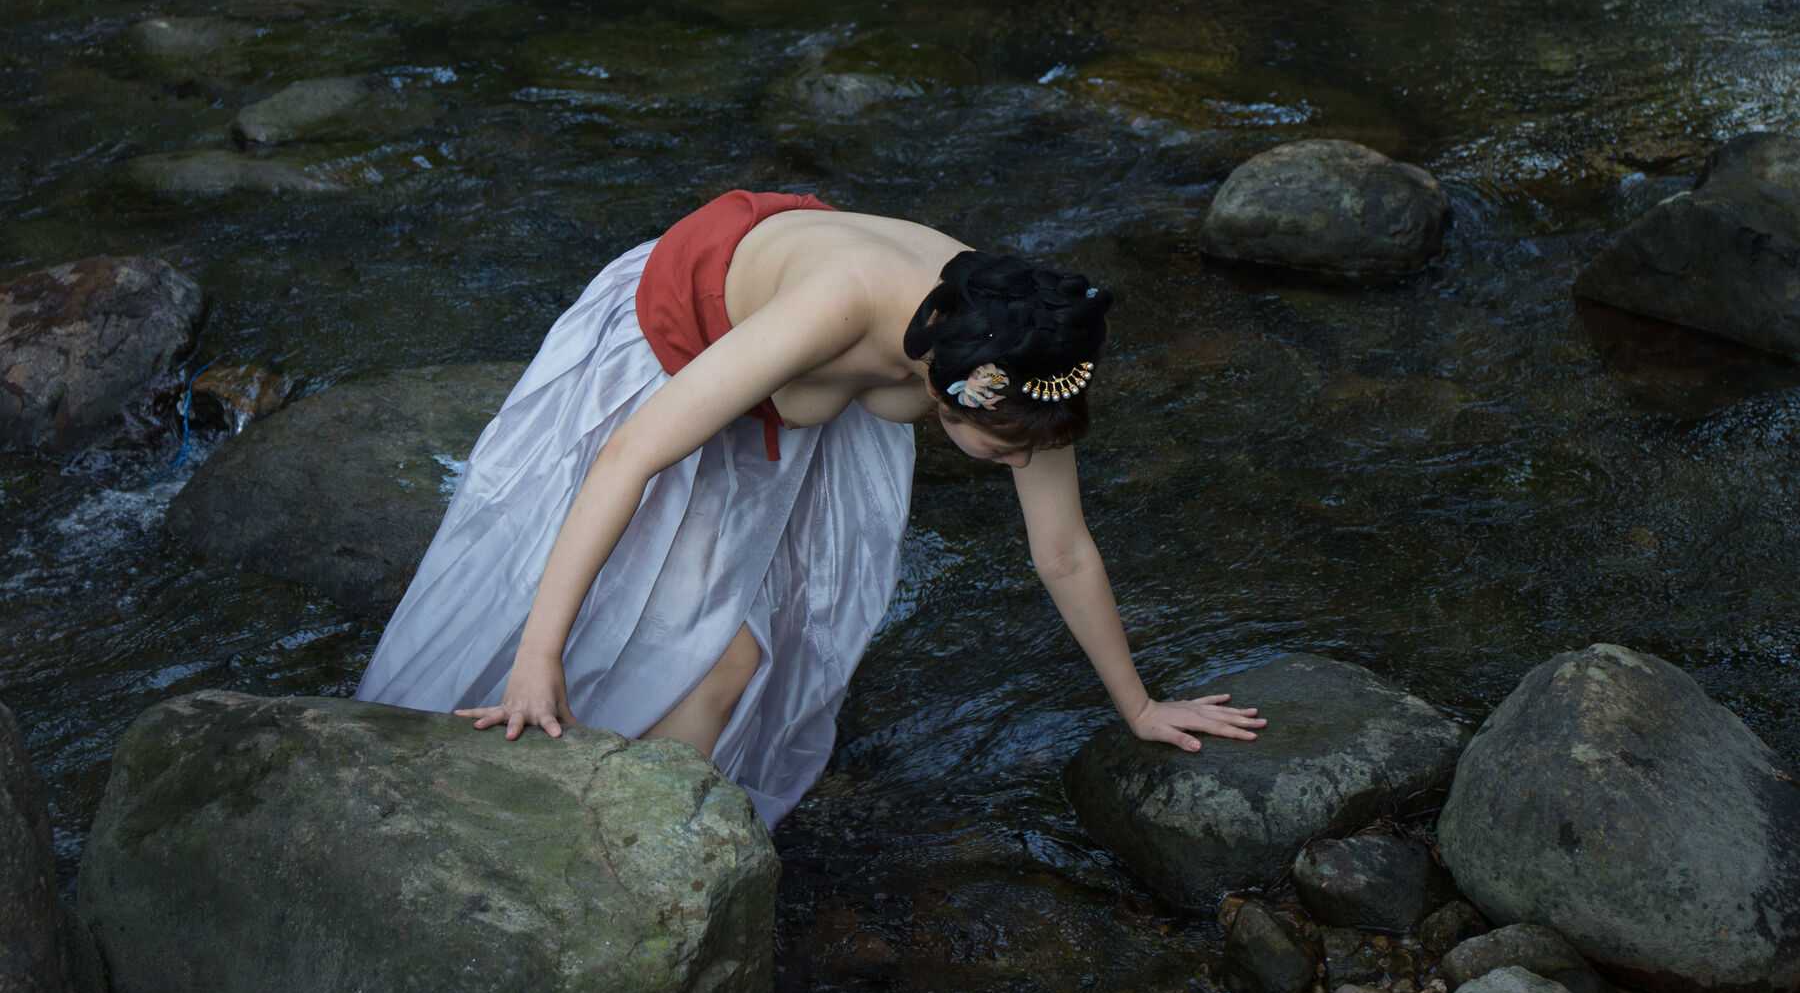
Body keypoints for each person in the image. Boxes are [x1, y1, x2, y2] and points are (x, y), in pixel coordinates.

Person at [356, 190, 1266, 824]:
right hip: (680, 353)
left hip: (800, 386)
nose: (1022, 463)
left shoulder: (1022, 357)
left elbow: (1062, 550)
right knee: (635, 630)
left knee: (734, 663)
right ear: (942, 389)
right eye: (1004, 449)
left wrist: (1139, 707)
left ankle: (646, 843)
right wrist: (537, 655)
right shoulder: (844, 311)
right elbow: (629, 454)